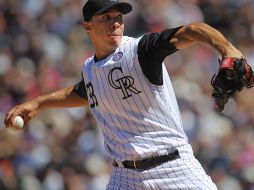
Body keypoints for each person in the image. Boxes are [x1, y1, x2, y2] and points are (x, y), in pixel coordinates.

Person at [5, 0, 244, 189]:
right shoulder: (90, 69)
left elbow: (193, 30)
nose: (115, 23)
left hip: (173, 168)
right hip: (125, 176)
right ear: (87, 25)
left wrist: (226, 48)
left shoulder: (140, 50)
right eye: (106, 18)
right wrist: (38, 103)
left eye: (119, 17)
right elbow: (82, 91)